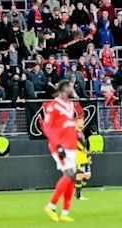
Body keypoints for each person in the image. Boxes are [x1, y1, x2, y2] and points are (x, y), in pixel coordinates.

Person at [43, 80, 78, 222]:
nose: (72, 88)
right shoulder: (53, 105)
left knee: (71, 178)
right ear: (64, 89)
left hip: (71, 145)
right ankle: (51, 206)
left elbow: (69, 126)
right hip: (59, 146)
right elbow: (47, 127)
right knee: (68, 174)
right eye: (70, 86)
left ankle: (64, 213)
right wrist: (58, 145)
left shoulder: (70, 104)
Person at [74, 117, 92, 201]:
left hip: (84, 157)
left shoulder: (81, 133)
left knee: (87, 175)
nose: (82, 123)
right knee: (80, 175)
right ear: (76, 123)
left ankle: (78, 191)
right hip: (78, 157)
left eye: (82, 121)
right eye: (80, 121)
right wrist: (82, 150)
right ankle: (78, 194)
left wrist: (88, 156)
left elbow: (83, 145)